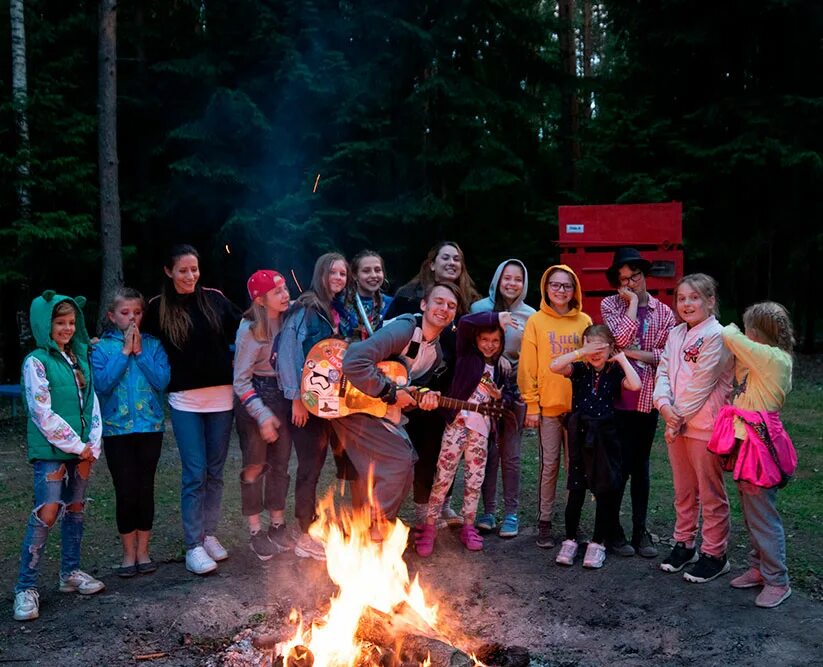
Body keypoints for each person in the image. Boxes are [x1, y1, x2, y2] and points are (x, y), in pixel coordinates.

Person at [143, 244, 241, 576]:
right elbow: (133, 335)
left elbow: (245, 327)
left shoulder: (214, 299)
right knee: (194, 473)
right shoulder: (157, 308)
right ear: (169, 272)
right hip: (185, 401)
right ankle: (193, 546)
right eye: (183, 270)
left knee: (215, 472)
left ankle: (209, 534)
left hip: (221, 399)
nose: (190, 276)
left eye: (194, 269)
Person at [331, 282, 459, 535]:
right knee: (399, 460)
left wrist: (420, 397)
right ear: (424, 305)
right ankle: (373, 530)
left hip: (377, 407)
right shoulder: (405, 328)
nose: (444, 309)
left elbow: (404, 391)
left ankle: (374, 527)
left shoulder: (436, 355)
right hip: (351, 401)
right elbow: (355, 361)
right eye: (439, 302)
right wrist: (390, 392)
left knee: (404, 461)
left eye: (451, 306)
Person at [14, 292, 104, 622]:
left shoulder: (78, 358)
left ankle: (70, 573)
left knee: (76, 509)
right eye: (59, 322)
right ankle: (25, 587)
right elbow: (42, 412)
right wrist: (76, 445)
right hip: (53, 450)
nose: (67, 328)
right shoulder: (36, 362)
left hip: (82, 450)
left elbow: (91, 402)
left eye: (71, 322)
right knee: (49, 511)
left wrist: (92, 442)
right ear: (45, 325)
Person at [385, 241, 480, 528]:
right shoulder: (408, 296)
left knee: (440, 447)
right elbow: (388, 337)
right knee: (410, 448)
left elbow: (476, 343)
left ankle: (441, 505)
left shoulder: (467, 302)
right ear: (432, 263)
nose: (452, 263)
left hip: (447, 386)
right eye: (446, 258)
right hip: (405, 384)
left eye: (457, 259)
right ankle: (416, 509)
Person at [709, 302, 797, 607]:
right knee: (751, 512)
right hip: (750, 442)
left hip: (763, 446)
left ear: (756, 332)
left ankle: (777, 580)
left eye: (749, 328)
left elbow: (731, 337)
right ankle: (760, 568)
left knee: (763, 515)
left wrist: (728, 325)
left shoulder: (774, 359)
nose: (744, 332)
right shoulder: (761, 358)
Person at [416, 311, 519, 555]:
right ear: (476, 340)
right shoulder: (466, 356)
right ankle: (429, 526)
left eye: (495, 341)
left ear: (502, 343)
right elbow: (465, 322)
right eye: (484, 339)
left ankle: (468, 525)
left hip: (480, 432)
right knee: (443, 476)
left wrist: (500, 396)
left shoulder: (502, 368)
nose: (489, 345)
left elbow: (509, 398)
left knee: (474, 479)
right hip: (457, 425)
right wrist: (496, 318)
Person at [653, 273, 733, 583]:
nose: (687, 303)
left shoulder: (718, 335)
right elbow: (663, 370)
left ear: (710, 301)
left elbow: (702, 384)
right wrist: (663, 406)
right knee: (683, 491)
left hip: (703, 426)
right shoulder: (675, 334)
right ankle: (684, 544)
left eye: (695, 297)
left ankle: (715, 554)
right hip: (677, 424)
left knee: (710, 493)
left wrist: (676, 418)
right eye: (682, 298)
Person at [275, 252, 352, 561]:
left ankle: (346, 523)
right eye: (333, 272)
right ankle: (304, 533)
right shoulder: (306, 309)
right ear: (321, 274)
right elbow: (288, 353)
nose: (338, 278)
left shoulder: (338, 311)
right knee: (310, 466)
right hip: (308, 402)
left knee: (343, 462)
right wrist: (296, 400)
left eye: (343, 274)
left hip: (335, 402)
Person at [601, 248, 676, 557]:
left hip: (647, 402)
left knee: (640, 468)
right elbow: (617, 339)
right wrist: (631, 305)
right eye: (624, 280)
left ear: (645, 276)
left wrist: (630, 353)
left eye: (635, 276)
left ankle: (640, 531)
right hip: (617, 400)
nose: (631, 283)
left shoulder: (664, 313)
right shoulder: (611, 305)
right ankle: (612, 531)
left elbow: (666, 356)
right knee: (617, 468)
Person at [91, 288, 170, 578]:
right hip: (117, 430)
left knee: (145, 488)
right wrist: (125, 353)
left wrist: (140, 354)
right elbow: (102, 384)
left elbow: (162, 380)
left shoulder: (153, 345)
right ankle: (127, 554)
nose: (132, 318)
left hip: (149, 427)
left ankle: (144, 551)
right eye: (125, 313)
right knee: (125, 490)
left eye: (136, 312)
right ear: (112, 317)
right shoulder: (101, 350)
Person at [550, 325, 642, 568]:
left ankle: (597, 543)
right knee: (576, 487)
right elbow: (554, 366)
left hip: (606, 436)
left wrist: (621, 358)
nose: (595, 351)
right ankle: (570, 539)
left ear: (610, 347)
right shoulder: (579, 369)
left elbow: (635, 385)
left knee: (604, 489)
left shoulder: (613, 371)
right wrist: (581, 352)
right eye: (590, 345)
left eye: (600, 346)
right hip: (580, 433)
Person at [518, 264, 591, 548]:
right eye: (555, 285)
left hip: (577, 409)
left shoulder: (583, 321)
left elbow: (590, 363)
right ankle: (545, 522)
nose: (561, 290)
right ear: (546, 288)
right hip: (548, 409)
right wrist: (532, 405)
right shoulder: (536, 321)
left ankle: (573, 525)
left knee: (576, 467)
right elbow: (528, 367)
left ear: (575, 291)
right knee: (549, 466)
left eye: (567, 286)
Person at [471, 259, 535, 538]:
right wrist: (497, 360)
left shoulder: (530, 315)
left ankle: (511, 513)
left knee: (511, 453)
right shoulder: (479, 309)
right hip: (484, 391)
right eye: (506, 278)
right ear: (497, 279)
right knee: (487, 452)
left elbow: (532, 357)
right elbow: (470, 347)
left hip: (514, 392)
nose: (511, 283)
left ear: (524, 284)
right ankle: (488, 511)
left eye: (517, 279)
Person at [233, 270, 294, 560]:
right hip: (254, 396)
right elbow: (240, 381)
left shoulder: (289, 318)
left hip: (281, 393)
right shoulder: (249, 330)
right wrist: (262, 415)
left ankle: (277, 525)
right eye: (277, 292)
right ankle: (256, 530)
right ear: (260, 300)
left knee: (281, 463)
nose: (285, 295)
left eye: (284, 288)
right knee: (256, 465)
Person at [334, 250, 393, 341]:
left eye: (378, 270)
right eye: (366, 271)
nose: (373, 275)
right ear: (354, 275)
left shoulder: (391, 304)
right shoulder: (339, 301)